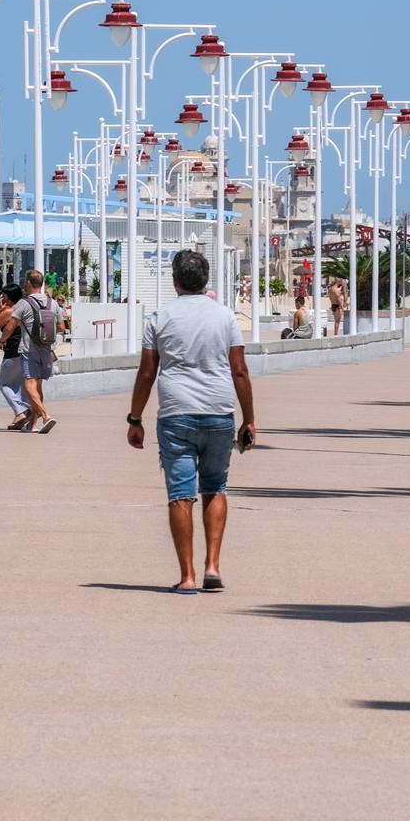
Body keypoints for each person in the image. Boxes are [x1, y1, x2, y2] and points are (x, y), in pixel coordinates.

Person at [127, 249, 256, 595]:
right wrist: (249, 419)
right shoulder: (226, 317)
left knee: (180, 494)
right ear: (206, 280)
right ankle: (212, 566)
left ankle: (187, 577)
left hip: (176, 414)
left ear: (174, 281)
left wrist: (135, 418)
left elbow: (146, 373)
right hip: (219, 411)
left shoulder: (159, 318)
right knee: (215, 487)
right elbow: (239, 370)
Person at [0, 269, 59, 434]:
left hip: (29, 349)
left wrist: (3, 340)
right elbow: (60, 326)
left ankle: (45, 416)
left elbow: (11, 325)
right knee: (38, 387)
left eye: (25, 282)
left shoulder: (24, 303)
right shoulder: (52, 303)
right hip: (47, 350)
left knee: (29, 385)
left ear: (29, 283)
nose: (24, 285)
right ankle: (33, 425)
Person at [0, 284, 31, 431]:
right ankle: (24, 412)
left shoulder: (8, 311)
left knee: (4, 384)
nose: (1, 297)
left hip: (12, 351)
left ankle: (20, 412)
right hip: (26, 350)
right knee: (19, 384)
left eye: (3, 295)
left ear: (9, 297)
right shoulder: (24, 307)